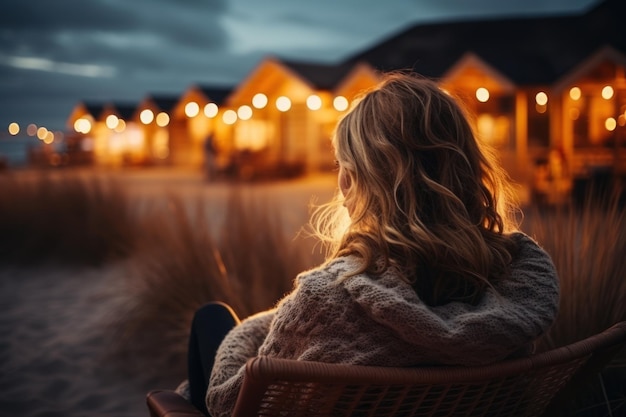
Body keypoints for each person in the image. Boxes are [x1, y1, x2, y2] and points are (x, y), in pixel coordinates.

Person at [178, 72, 560, 417]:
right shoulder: (512, 286)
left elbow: (233, 403)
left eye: (343, 167)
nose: (341, 186)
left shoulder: (328, 299)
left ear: (359, 181)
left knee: (211, 318)